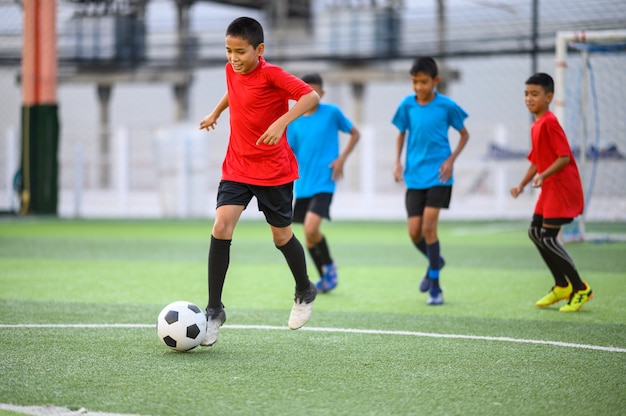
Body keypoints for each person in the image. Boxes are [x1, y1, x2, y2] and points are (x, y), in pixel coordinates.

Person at [198, 16, 320, 346]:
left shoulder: (273, 75)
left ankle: (304, 288)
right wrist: (216, 112)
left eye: (240, 51)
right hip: (237, 167)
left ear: (259, 49)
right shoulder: (231, 70)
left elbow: (310, 98)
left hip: (274, 171)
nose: (233, 58)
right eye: (228, 51)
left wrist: (283, 121)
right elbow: (233, 91)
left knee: (281, 237)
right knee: (221, 226)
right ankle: (214, 310)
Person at [510, 72, 592, 312]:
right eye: (526, 94)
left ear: (549, 97)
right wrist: (522, 184)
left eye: (534, 94)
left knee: (547, 237)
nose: (529, 98)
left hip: (562, 187)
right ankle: (561, 285)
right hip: (548, 188)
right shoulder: (536, 125)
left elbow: (564, 157)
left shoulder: (550, 122)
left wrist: (543, 176)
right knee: (535, 232)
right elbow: (537, 160)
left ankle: (580, 288)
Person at [391, 57, 469, 305]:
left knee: (428, 228)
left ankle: (435, 287)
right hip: (414, 177)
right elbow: (400, 134)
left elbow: (464, 135)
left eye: (423, 82)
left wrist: (451, 160)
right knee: (414, 233)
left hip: (439, 176)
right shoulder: (406, 105)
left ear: (435, 81)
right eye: (414, 82)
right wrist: (397, 162)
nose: (418, 87)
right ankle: (436, 261)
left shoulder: (447, 106)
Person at [287, 73, 360, 293]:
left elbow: (355, 134)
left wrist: (341, 159)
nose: (311, 95)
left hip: (325, 182)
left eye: (315, 92)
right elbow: (289, 152)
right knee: (309, 237)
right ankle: (325, 277)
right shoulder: (294, 121)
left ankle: (329, 266)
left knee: (311, 228)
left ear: (323, 93)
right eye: (306, 91)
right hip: (303, 185)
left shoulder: (332, 113)